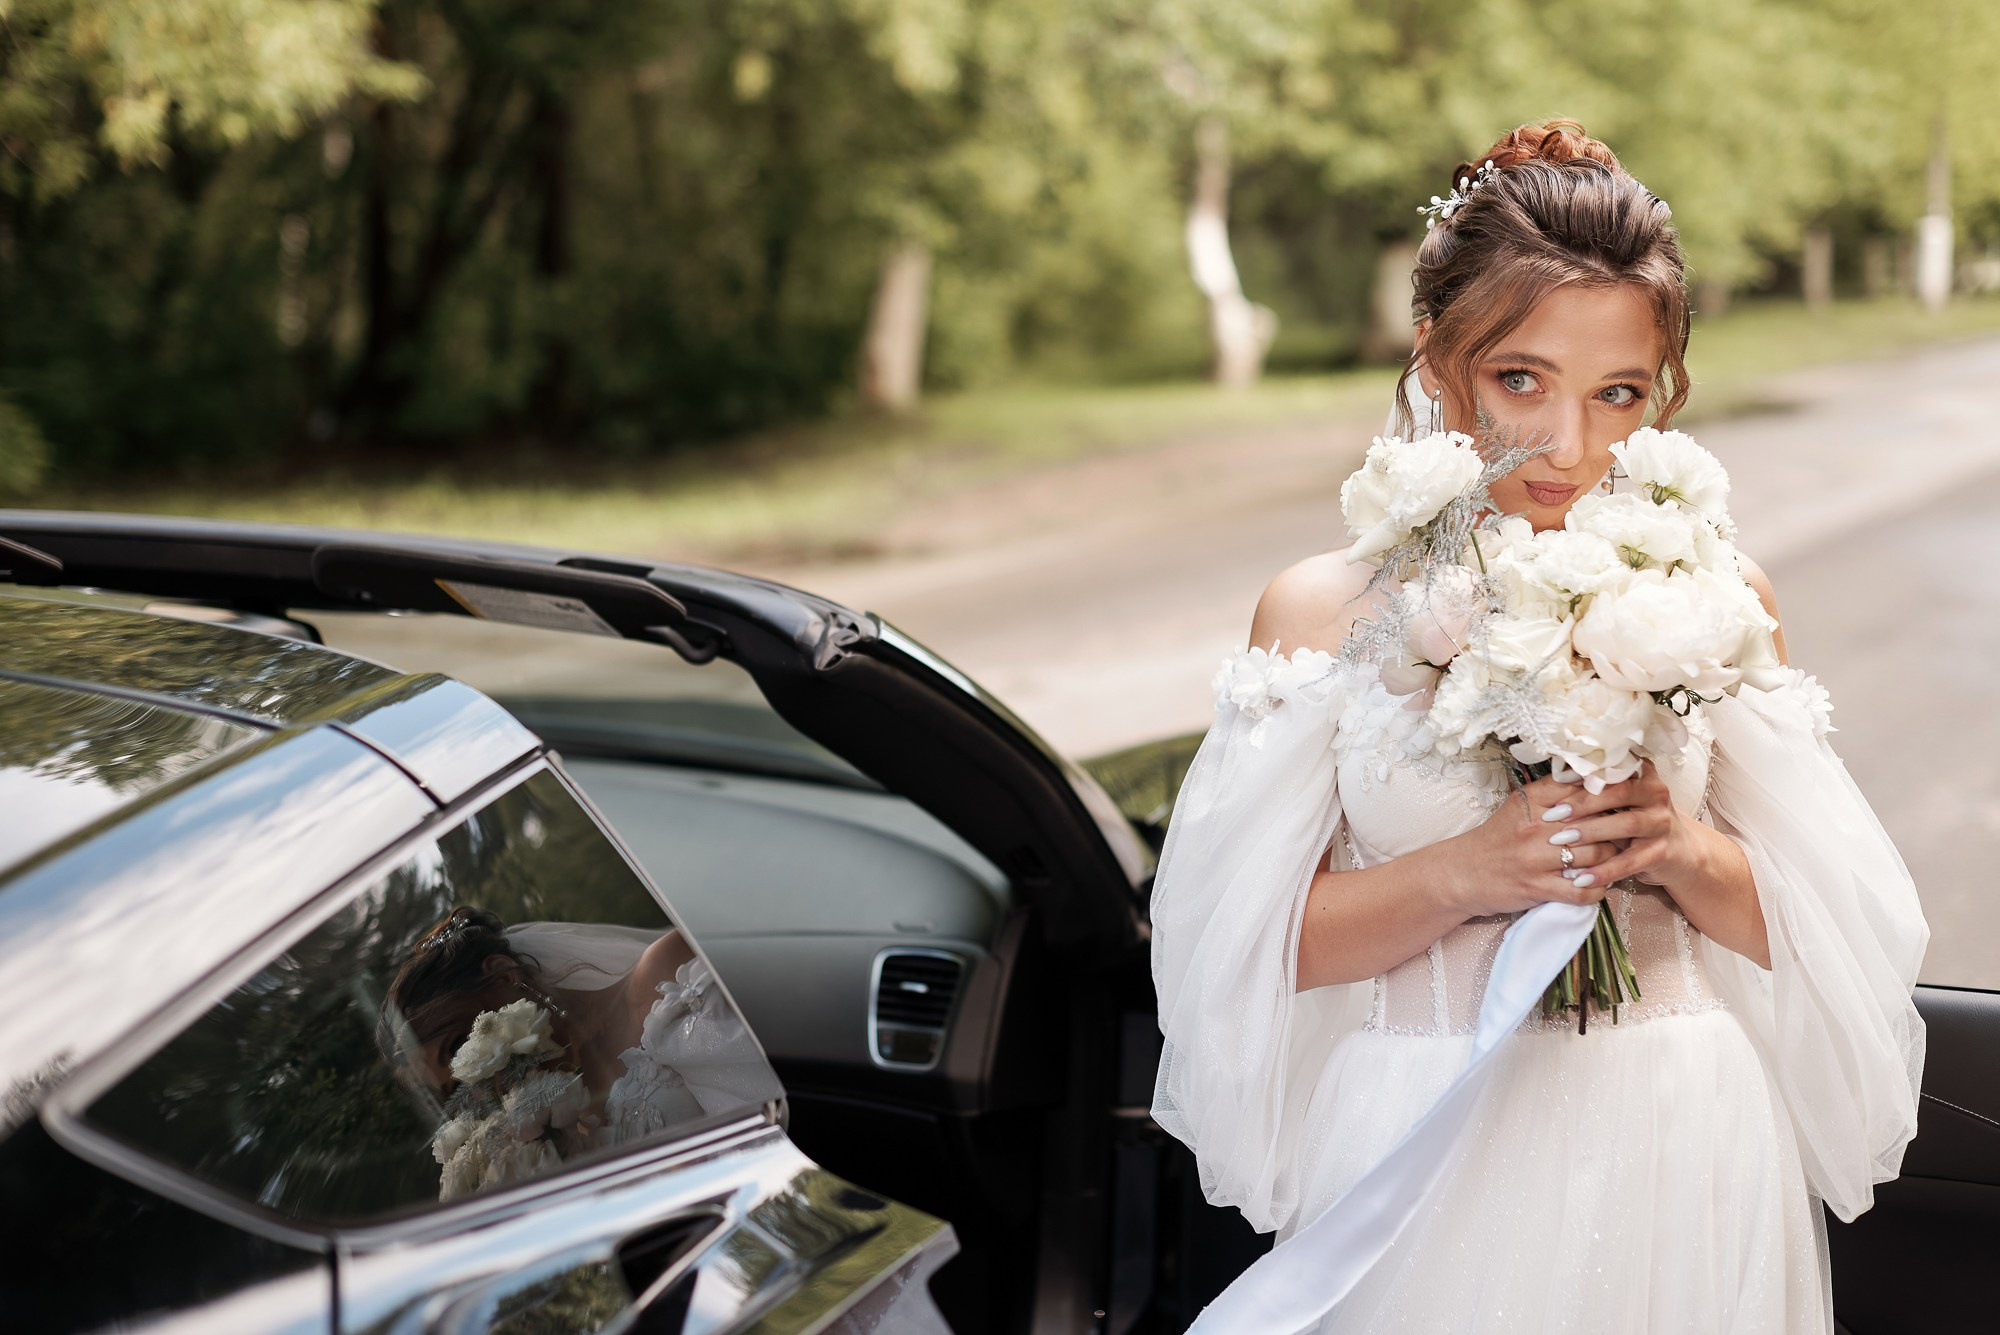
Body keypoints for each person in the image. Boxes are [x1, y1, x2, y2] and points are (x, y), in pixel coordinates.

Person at [1149, 120, 1928, 1333]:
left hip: (1679, 1130)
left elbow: (1825, 923)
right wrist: (1467, 872)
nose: (1569, 447)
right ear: (1436, 357)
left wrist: (1676, 850)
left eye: (1616, 394)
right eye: (1521, 379)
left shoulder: (1715, 600)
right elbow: (1247, 947)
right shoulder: (1322, 613)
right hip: (1423, 1136)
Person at [384, 906, 782, 1179]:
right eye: (455, 1087)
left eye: (458, 1047)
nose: (478, 1083)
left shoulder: (663, 983)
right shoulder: (545, 1141)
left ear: (505, 975)